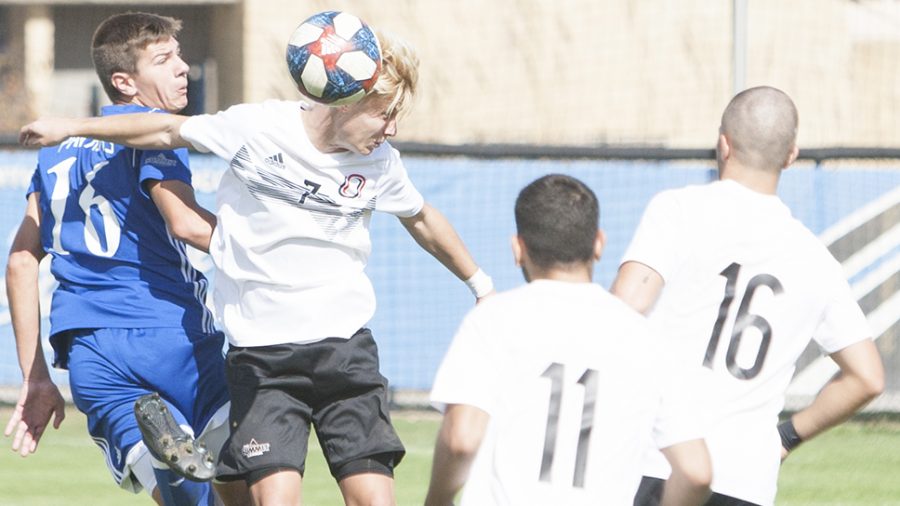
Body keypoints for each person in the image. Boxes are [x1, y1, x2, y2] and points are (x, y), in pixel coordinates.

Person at [19, 26, 494, 506]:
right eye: (384, 115)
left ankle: (171, 454)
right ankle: (182, 453)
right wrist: (72, 124)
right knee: (259, 492)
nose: (391, 129)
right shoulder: (260, 127)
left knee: (364, 499)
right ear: (344, 99)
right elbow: (166, 144)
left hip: (342, 351)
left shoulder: (381, 163)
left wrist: (482, 285)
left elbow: (423, 219)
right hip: (251, 354)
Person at [4, 12, 248, 506]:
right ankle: (180, 452)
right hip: (172, 334)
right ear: (124, 82)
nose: (183, 68)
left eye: (179, 55)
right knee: (248, 490)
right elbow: (186, 224)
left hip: (90, 351)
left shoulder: (55, 153)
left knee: (184, 498)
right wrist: (276, 250)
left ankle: (170, 458)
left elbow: (21, 262)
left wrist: (34, 376)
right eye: (164, 59)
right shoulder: (156, 133)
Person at [610, 86, 885, 506]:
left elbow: (627, 305)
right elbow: (867, 378)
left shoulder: (678, 209)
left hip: (655, 461)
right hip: (745, 480)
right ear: (791, 156)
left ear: (723, 144)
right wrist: (788, 437)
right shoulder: (815, 259)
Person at [424, 174, 711, 506]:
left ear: (517, 249)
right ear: (599, 244)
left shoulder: (494, 319)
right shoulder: (644, 339)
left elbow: (461, 439)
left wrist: (436, 501)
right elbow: (696, 470)